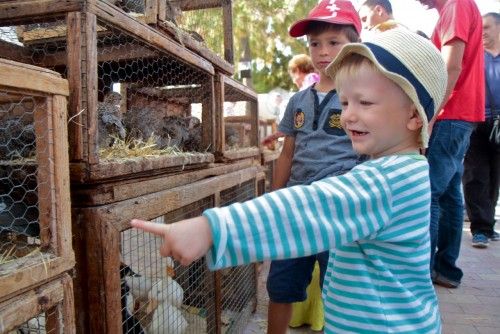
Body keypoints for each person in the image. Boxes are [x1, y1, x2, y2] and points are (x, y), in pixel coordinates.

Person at [131, 28, 447, 333]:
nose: (349, 115)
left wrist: (213, 228)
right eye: (346, 102)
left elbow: (309, 208)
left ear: (414, 116)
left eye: (365, 103)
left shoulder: (386, 180)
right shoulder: (404, 169)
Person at [260, 1, 362, 332]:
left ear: (355, 46)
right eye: (315, 43)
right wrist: (275, 198)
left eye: (334, 42)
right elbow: (287, 153)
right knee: (281, 286)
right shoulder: (297, 101)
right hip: (295, 210)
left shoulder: (361, 97)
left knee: (341, 291)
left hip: (339, 211)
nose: (323, 51)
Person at [415, 0, 485, 289]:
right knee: (449, 195)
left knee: (430, 192)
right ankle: (446, 270)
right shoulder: (453, 8)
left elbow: (451, 65)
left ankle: (423, 271)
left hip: (451, 113)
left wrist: (431, 113)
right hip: (461, 114)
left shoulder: (455, 4)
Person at [463, 12, 500, 248]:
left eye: (487, 27)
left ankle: (488, 225)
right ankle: (479, 228)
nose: (482, 32)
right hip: (476, 121)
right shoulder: (475, 56)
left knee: (495, 175)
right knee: (475, 174)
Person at [261, 54, 320, 148]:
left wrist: (275, 135)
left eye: (293, 76)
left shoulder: (311, 79)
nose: (294, 81)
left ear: (297, 70)